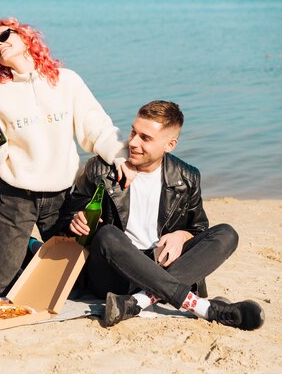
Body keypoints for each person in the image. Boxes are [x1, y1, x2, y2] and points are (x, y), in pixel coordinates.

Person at [66, 100, 264, 330]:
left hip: (164, 266)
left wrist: (182, 235)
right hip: (115, 272)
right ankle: (205, 308)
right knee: (107, 234)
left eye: (145, 138)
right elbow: (70, 211)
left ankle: (137, 302)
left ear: (170, 144)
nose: (133, 142)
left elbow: (198, 229)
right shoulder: (100, 169)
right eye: (133, 132)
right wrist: (76, 219)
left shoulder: (187, 177)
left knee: (226, 234)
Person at [0, 18, 136, 296]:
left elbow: (95, 127)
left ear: (25, 36)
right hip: (16, 197)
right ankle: (18, 247)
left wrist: (120, 156)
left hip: (63, 196)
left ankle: (32, 247)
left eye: (4, 36)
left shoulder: (67, 81)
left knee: (74, 287)